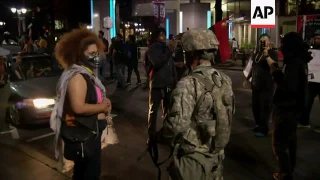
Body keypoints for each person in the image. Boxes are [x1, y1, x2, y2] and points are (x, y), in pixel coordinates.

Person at [162, 28, 234, 180]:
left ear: (191, 53)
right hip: (216, 159)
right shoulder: (225, 80)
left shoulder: (188, 84)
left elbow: (176, 126)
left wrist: (160, 135)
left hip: (193, 162)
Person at [50, 29, 112, 180]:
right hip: (85, 136)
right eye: (91, 53)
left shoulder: (86, 74)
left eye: (96, 52)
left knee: (83, 173)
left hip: (91, 134)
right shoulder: (77, 76)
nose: (95, 56)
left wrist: (104, 102)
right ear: (78, 55)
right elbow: (78, 107)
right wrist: (102, 107)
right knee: (89, 175)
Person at [264, 32, 312, 180]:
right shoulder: (298, 61)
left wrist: (274, 71)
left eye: (284, 43)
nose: (281, 46)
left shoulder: (294, 63)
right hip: (293, 107)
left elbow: (288, 86)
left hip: (286, 107)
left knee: (279, 142)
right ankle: (289, 169)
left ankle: (285, 173)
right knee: (290, 140)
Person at [146, 27, 177, 144]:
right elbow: (157, 63)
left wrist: (175, 81)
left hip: (168, 84)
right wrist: (169, 50)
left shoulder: (166, 49)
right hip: (157, 85)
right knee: (153, 111)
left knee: (168, 111)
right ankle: (151, 136)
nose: (163, 37)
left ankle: (166, 133)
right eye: (161, 35)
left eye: (164, 35)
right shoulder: (152, 50)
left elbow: (171, 67)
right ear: (156, 37)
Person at [244, 34, 278, 137]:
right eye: (261, 41)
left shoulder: (272, 53)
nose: (263, 42)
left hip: (267, 85)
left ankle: (263, 129)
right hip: (256, 84)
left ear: (269, 42)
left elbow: (274, 66)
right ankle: (258, 124)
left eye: (265, 40)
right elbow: (253, 67)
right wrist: (247, 79)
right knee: (256, 106)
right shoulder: (257, 54)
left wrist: (267, 54)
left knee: (265, 108)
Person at [299, 30, 320, 133]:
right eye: (316, 38)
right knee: (307, 101)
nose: (317, 40)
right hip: (313, 81)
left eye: (319, 38)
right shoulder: (312, 50)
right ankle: (304, 121)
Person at [0, 56, 12, 134]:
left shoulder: (4, 64)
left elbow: (6, 72)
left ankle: (5, 120)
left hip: (4, 86)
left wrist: (4, 77)